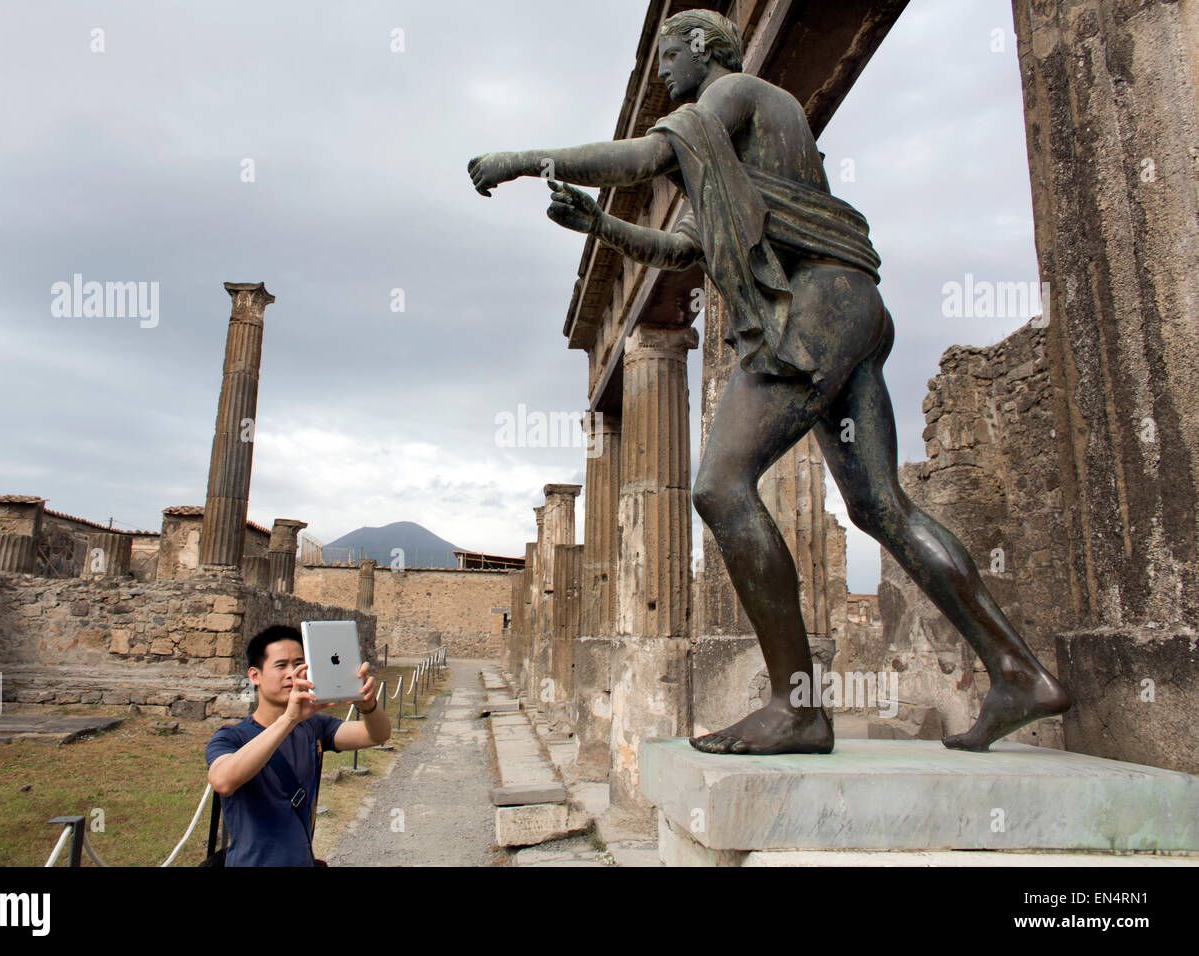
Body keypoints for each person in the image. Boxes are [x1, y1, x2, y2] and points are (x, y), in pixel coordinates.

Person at [467, 9, 1070, 754]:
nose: (663, 73)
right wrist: (601, 229)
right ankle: (1018, 671)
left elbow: (645, 158)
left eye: (668, 55)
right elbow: (685, 247)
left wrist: (526, 159)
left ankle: (799, 706)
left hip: (814, 304)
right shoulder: (740, 148)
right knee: (882, 507)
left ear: (703, 49)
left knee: (719, 486)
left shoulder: (736, 94)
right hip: (855, 307)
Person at [205, 624, 391, 866]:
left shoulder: (313, 727)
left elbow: (377, 735)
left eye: (298, 664)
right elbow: (223, 781)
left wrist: (367, 705)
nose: (292, 673)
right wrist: (289, 719)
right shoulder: (231, 737)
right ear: (255, 676)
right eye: (281, 665)